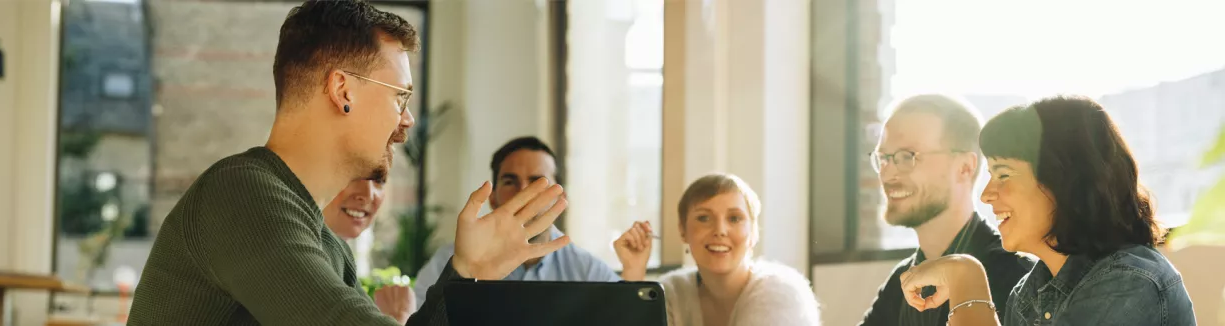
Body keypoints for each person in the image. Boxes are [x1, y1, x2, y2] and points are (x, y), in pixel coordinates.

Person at [128, 2, 572, 325]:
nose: (409, 119)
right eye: (400, 96)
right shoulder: (243, 196)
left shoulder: (325, 241)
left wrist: (466, 271)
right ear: (343, 90)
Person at [898, 95, 1196, 325]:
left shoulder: (1130, 283)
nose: (987, 195)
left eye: (1003, 174)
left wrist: (966, 276)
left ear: (1064, 180)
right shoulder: (1028, 294)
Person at [858, 94, 1035, 326]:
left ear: (964, 167)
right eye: (883, 158)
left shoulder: (1017, 278)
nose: (888, 173)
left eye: (906, 157)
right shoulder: (899, 282)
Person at [413, 136, 620, 308]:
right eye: (510, 181)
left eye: (537, 182)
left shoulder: (588, 271)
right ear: (492, 198)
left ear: (558, 197)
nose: (523, 192)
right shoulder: (449, 262)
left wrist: (633, 271)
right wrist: (465, 274)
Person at [616, 173, 821, 326]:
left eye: (735, 218)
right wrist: (634, 272)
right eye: (704, 218)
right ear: (682, 230)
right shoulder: (670, 292)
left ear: (754, 233)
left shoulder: (783, 292)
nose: (720, 231)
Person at [321, 178, 416, 324]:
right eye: (354, 177)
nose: (368, 194)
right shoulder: (302, 265)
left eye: (379, 180)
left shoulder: (342, 267)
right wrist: (398, 318)